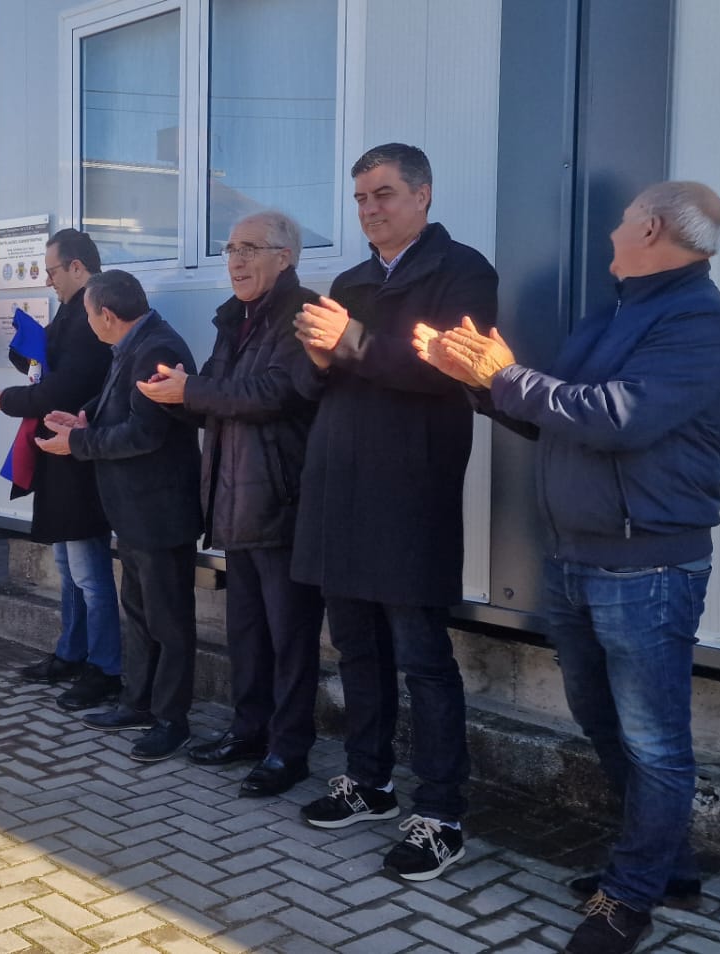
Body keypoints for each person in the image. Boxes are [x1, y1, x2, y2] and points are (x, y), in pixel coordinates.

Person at [413, 182, 720, 954]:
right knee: (605, 724)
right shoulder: (616, 314)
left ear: (653, 226)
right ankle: (668, 866)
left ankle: (627, 898)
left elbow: (614, 419)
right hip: (574, 559)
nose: (610, 232)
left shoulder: (704, 324)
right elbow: (559, 416)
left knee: (654, 743)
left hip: (647, 569)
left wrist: (504, 376)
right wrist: (477, 380)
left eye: (624, 220)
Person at [290, 143, 497, 880]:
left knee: (421, 658)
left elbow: (448, 367)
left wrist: (352, 343)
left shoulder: (461, 272)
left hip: (409, 490)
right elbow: (311, 384)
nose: (369, 209)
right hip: (338, 488)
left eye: (382, 194)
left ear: (422, 195)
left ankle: (440, 813)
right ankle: (368, 781)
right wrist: (318, 360)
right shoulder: (347, 280)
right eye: (359, 199)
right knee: (354, 648)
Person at [137, 210, 325, 798]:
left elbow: (276, 393)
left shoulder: (304, 313)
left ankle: (288, 750)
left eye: (251, 248)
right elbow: (215, 399)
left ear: (285, 257)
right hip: (235, 503)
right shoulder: (234, 319)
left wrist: (194, 389)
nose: (236, 260)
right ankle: (249, 731)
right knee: (246, 631)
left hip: (283, 502)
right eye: (231, 249)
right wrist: (173, 393)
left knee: (290, 638)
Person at [38, 270, 201, 762]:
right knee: (139, 614)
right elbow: (118, 404)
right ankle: (138, 702)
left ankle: (172, 720)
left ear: (107, 315)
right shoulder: (136, 341)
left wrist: (78, 443)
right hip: (134, 512)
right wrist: (84, 417)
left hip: (159, 513)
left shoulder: (156, 348)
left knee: (169, 623)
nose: (88, 323)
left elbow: (143, 434)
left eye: (89, 315)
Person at [0, 228, 123, 711]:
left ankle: (106, 668)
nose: (47, 280)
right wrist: (26, 348)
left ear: (78, 268)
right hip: (60, 450)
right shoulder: (73, 311)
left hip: (82, 454)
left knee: (89, 570)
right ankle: (72, 653)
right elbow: (43, 360)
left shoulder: (94, 313)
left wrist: (8, 399)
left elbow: (65, 387)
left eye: (51, 271)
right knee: (68, 567)